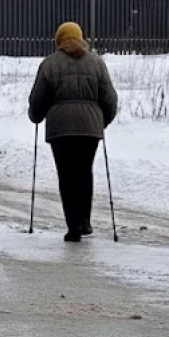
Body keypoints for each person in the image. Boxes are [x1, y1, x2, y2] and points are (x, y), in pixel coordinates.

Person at [28, 22, 118, 242]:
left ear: (59, 40)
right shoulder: (97, 63)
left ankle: (73, 227)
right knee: (84, 172)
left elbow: (37, 99)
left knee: (66, 175)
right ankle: (84, 221)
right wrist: (102, 120)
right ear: (81, 38)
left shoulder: (50, 64)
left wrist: (36, 116)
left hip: (61, 129)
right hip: (90, 129)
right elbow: (110, 99)